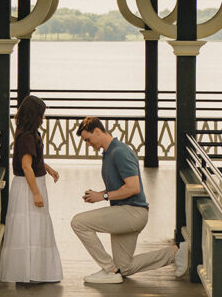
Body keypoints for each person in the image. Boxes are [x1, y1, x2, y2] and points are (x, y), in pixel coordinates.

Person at [70, 117, 188, 284]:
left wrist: (103, 196)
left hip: (132, 213)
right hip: (126, 212)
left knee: (78, 223)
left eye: (88, 139)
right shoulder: (109, 153)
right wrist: (100, 194)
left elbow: (134, 188)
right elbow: (122, 186)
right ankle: (177, 252)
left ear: (97, 131)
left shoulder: (120, 152)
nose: (88, 144)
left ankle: (109, 269)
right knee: (124, 267)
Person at [0, 94, 63, 283]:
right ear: (35, 115)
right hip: (28, 185)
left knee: (34, 227)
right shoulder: (26, 136)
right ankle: (30, 271)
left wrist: (48, 168)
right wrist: (36, 192)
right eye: (42, 114)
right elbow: (26, 166)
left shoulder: (30, 134)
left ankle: (34, 270)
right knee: (29, 227)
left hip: (34, 181)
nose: (44, 118)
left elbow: (34, 160)